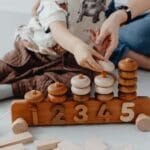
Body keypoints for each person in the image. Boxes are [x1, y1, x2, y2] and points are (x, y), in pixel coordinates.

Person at [95, 0, 150, 70]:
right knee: (140, 34)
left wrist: (117, 17)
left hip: (131, 12)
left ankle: (116, 49)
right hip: (119, 14)